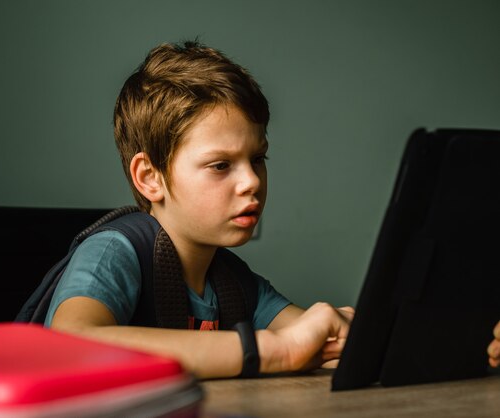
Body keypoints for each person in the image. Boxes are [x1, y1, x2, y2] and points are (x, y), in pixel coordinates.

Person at [45, 40, 353, 379]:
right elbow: (69, 346)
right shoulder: (114, 253)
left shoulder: (234, 282)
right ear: (150, 178)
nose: (252, 181)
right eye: (221, 165)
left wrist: (354, 337)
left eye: (257, 159)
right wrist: (274, 350)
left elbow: (316, 341)